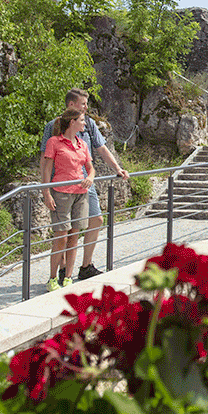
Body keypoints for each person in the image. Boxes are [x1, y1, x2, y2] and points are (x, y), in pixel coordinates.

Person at [40, 88, 129, 284]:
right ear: (71, 105)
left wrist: (118, 169)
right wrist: (46, 189)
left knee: (96, 219)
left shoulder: (88, 124)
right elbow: (45, 159)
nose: (86, 108)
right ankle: (63, 270)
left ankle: (85, 266)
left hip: (84, 184)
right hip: (61, 184)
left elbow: (101, 148)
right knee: (64, 231)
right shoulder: (52, 127)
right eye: (83, 104)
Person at [40, 108, 95, 290]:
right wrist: (46, 193)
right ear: (72, 122)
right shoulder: (54, 142)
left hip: (81, 193)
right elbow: (47, 169)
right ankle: (52, 278)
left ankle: (69, 277)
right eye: (82, 120)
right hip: (61, 193)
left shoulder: (82, 144)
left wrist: (90, 177)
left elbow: (91, 167)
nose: (84, 123)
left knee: (74, 236)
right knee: (61, 237)